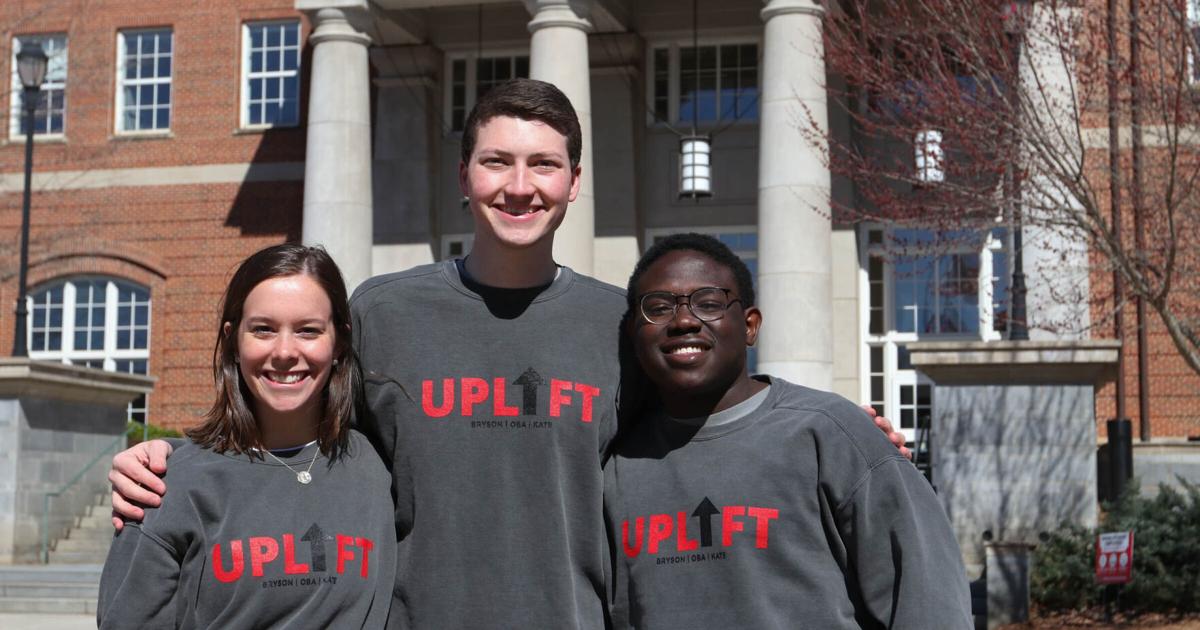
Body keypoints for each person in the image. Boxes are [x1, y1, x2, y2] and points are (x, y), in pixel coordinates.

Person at [106, 80, 909, 628]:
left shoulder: (617, 325)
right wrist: (170, 459)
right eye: (497, 161)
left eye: (543, 165)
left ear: (573, 183)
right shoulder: (382, 313)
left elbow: (704, 426)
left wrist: (838, 435)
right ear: (465, 175)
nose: (518, 186)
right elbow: (291, 414)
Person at [605, 233, 972, 629]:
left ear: (749, 326)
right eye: (658, 308)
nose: (683, 320)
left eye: (708, 303)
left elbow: (926, 594)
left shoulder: (832, 434)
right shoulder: (614, 467)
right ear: (634, 337)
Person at [97, 244, 396, 628]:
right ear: (234, 341)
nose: (285, 351)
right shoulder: (163, 488)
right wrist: (177, 459)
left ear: (338, 342)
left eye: (308, 330)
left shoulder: (379, 466)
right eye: (263, 329)